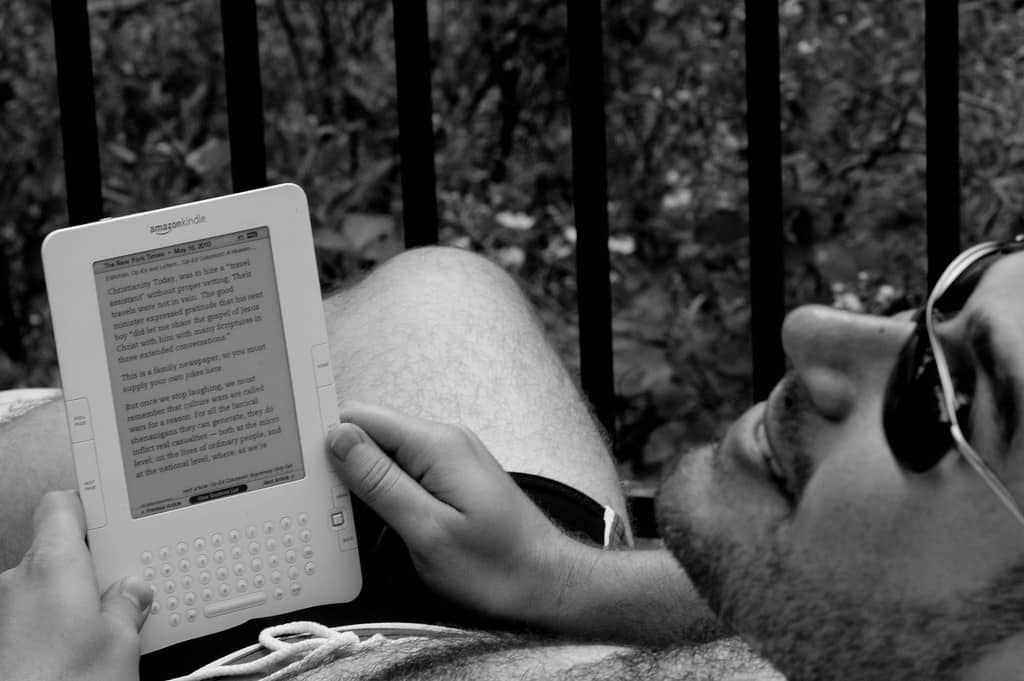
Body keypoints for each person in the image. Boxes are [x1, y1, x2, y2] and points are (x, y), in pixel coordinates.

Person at [1, 239, 1022, 680]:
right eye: (949, 294)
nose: (814, 328)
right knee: (440, 291)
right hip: (474, 620)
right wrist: (558, 576)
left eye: (941, 397)